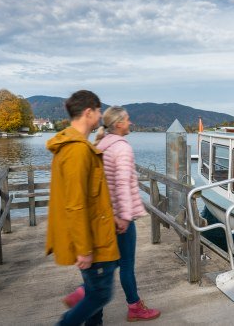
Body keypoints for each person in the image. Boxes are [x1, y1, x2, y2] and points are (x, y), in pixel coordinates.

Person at [64, 106, 161, 322]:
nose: (131, 123)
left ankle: (86, 298)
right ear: (118, 124)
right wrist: (126, 217)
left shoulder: (100, 144)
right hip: (120, 218)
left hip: (104, 216)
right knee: (125, 265)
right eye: (127, 119)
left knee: (107, 263)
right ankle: (134, 307)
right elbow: (122, 185)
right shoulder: (122, 148)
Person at [46, 90, 120, 326]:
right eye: (98, 112)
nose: (100, 117)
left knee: (92, 292)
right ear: (89, 112)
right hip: (93, 239)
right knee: (100, 294)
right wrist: (84, 249)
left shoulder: (74, 145)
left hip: (96, 232)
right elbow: (76, 204)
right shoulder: (77, 150)